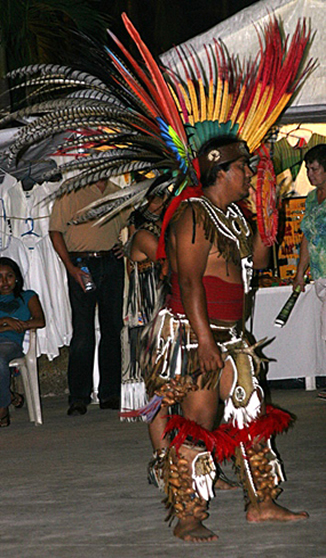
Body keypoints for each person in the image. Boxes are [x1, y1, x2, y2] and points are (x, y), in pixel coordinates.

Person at [139, 136, 308, 542]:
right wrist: (204, 342)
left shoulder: (232, 215)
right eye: (245, 168)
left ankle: (262, 503)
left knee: (251, 415)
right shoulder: (194, 215)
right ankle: (188, 516)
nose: (250, 174)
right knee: (196, 425)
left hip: (232, 336)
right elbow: (190, 281)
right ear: (222, 171)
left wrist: (268, 219)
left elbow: (259, 262)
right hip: (198, 336)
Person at [49, 178, 130, 416]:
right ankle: (78, 397)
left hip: (111, 263)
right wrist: (70, 267)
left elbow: (133, 221)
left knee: (112, 327)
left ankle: (110, 393)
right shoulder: (71, 190)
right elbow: (55, 232)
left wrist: (127, 246)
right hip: (82, 264)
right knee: (83, 330)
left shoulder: (117, 192)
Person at [293, 143, 326, 399]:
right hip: (319, 273)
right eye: (307, 169)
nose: (310, 174)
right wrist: (299, 271)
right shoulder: (312, 198)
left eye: (314, 169)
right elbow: (306, 236)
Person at [0, 257, 45, 427]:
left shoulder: (27, 297)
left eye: (9, 276)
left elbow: (40, 321)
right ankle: (10, 397)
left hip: (9, 344)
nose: (4, 282)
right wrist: (5, 320)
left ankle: (2, 410)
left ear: (16, 277)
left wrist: (13, 325)